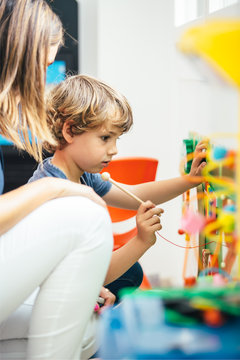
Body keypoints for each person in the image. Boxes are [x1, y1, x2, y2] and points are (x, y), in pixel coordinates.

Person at [0, 1, 122, 359]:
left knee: (88, 329)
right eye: (42, 65)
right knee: (86, 215)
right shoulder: (54, 177)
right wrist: (56, 187)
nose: (45, 78)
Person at [28, 74, 207, 300]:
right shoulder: (56, 198)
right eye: (105, 138)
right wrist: (141, 241)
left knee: (131, 273)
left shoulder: (82, 175)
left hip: (65, 279)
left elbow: (134, 195)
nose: (114, 150)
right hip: (44, 294)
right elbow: (81, 276)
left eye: (116, 139)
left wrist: (189, 181)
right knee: (129, 275)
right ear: (70, 131)